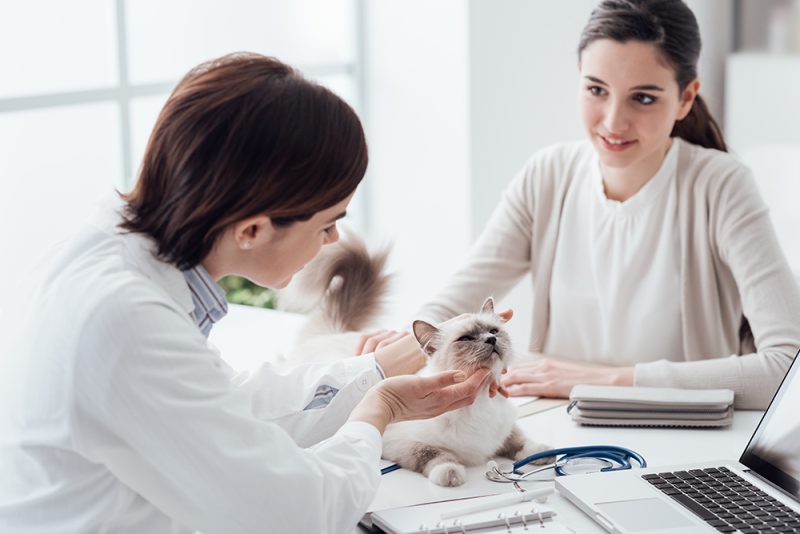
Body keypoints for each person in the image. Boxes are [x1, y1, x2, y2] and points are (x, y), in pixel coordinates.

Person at [0, 53, 498, 534]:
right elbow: (295, 513)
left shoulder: (113, 252)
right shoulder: (126, 318)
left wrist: (375, 371)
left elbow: (224, 406)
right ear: (254, 229)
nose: (334, 242)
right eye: (327, 224)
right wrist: (377, 410)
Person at [359, 0, 800, 410]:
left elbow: (787, 368)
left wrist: (599, 381)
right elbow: (454, 301)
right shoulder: (548, 174)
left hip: (686, 442)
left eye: (643, 97)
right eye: (596, 89)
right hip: (558, 428)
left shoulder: (721, 186)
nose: (613, 121)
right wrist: (400, 344)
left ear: (686, 97)